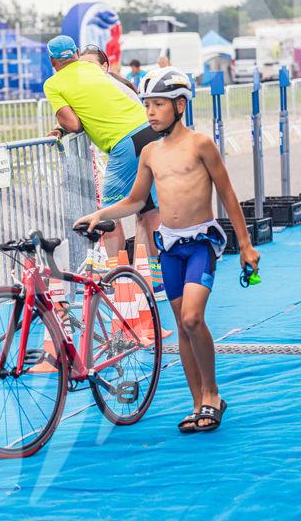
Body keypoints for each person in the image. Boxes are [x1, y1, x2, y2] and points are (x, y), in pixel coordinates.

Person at [74, 66, 260, 434]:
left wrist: (246, 246)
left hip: (200, 243)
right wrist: (100, 214)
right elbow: (134, 200)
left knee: (192, 318)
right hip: (169, 247)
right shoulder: (149, 153)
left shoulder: (201, 145)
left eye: (159, 104)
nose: (151, 112)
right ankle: (197, 402)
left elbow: (227, 194)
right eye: (147, 106)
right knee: (181, 326)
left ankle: (212, 393)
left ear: (180, 105)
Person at [43, 35, 166, 299]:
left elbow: (73, 124)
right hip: (150, 131)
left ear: (52, 61)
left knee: (107, 217)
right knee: (149, 211)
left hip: (124, 142)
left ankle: (118, 282)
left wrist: (60, 126)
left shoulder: (53, 83)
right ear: (76, 53)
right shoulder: (92, 68)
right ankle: (155, 282)